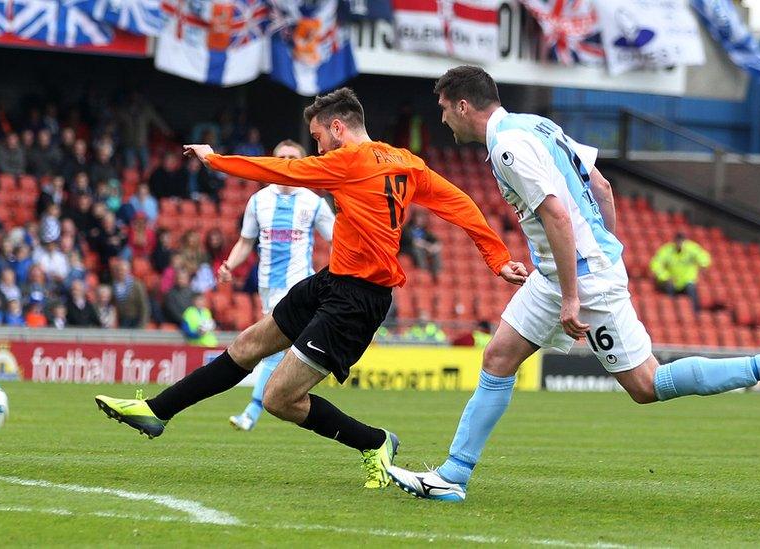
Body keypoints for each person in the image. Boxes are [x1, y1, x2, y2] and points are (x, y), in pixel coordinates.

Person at [385, 65, 760, 503]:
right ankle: (453, 475)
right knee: (498, 356)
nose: (442, 118)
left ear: (464, 106)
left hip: (580, 278)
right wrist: (603, 249)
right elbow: (602, 185)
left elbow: (557, 214)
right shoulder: (538, 126)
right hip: (559, 274)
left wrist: (578, 291)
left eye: (444, 108)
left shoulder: (507, 147)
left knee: (646, 385)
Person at [95, 87, 522, 490]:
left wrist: (217, 160)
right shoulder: (407, 162)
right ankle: (155, 411)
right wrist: (497, 258)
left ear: (338, 128)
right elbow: (460, 203)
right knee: (246, 346)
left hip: (357, 301)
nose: (318, 149)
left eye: (318, 137)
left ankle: (374, 441)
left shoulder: (349, 161)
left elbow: (282, 170)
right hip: (331, 281)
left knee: (280, 398)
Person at [218, 139, 335, 431]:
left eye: (292, 157)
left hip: (299, 286)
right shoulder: (258, 201)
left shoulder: (313, 202)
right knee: (275, 348)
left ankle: (252, 412)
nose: (285, 160)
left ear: (302, 161)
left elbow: (338, 239)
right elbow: (246, 242)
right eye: (280, 156)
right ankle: (277, 399)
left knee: (272, 348)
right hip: (267, 286)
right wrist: (229, 265)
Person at [650, 232, 711, 311]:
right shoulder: (667, 250)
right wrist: (665, 277)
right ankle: (671, 311)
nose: (680, 244)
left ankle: (696, 312)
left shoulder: (691, 248)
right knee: (669, 290)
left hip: (687, 281)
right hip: (672, 281)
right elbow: (655, 264)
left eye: (682, 241)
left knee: (692, 289)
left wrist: (703, 264)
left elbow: (704, 257)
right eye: (678, 241)